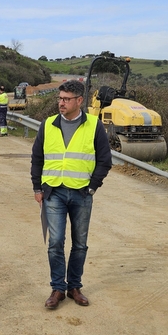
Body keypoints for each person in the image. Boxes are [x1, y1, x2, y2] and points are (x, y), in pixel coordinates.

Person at [31, 80, 112, 310]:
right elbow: (37, 158)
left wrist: (93, 186)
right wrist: (37, 188)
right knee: (55, 242)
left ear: (79, 101)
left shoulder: (94, 126)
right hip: (53, 192)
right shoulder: (48, 125)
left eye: (66, 99)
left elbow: (105, 160)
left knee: (80, 244)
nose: (61, 103)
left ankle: (74, 286)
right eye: (60, 98)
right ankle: (58, 288)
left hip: (82, 193)